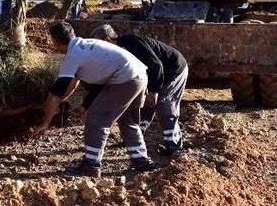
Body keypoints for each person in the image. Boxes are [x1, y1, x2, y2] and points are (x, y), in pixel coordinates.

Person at [30, 21, 155, 176]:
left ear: (55, 41)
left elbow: (57, 91)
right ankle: (141, 160)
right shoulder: (85, 45)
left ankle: (91, 164)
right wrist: (70, 105)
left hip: (125, 78)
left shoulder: (73, 55)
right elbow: (73, 85)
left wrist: (45, 122)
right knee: (128, 120)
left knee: (97, 119)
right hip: (140, 76)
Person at [90, 25, 188, 156]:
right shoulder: (116, 53)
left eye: (98, 44)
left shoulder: (132, 42)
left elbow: (156, 65)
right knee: (145, 104)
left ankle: (174, 146)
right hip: (154, 74)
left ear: (108, 39)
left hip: (173, 69)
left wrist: (153, 91)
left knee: (165, 105)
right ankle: (136, 137)